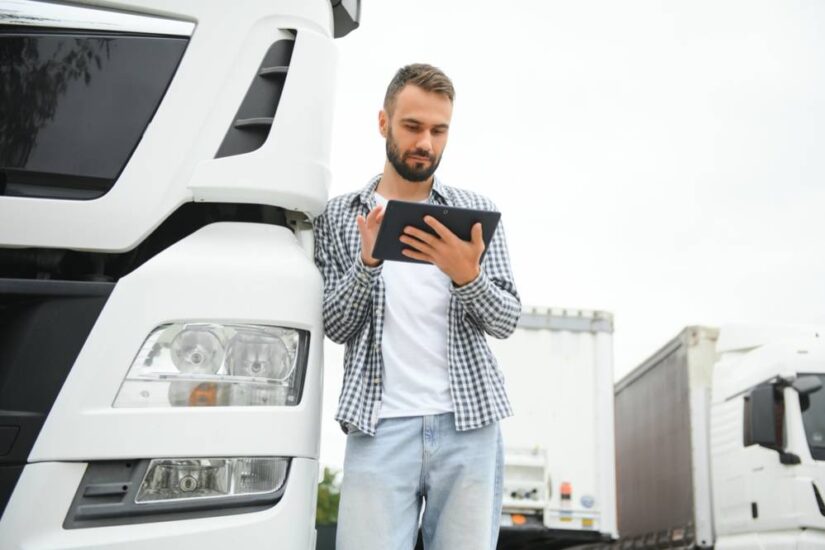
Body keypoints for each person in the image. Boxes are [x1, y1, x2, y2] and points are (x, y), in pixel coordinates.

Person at [313, 63, 520, 550]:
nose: (425, 142)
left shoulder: (475, 216)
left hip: (469, 425)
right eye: (413, 127)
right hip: (379, 426)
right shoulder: (340, 218)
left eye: (438, 130)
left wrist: (466, 274)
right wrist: (367, 261)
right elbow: (335, 326)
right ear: (384, 123)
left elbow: (507, 319)